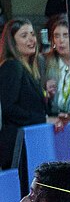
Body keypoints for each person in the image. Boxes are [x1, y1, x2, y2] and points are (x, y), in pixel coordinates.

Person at [0, 16, 47, 169]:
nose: (31, 39)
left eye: (32, 34)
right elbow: (9, 108)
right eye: (24, 35)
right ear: (12, 42)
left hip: (28, 142)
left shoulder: (31, 68)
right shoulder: (12, 67)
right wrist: (44, 119)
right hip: (16, 145)